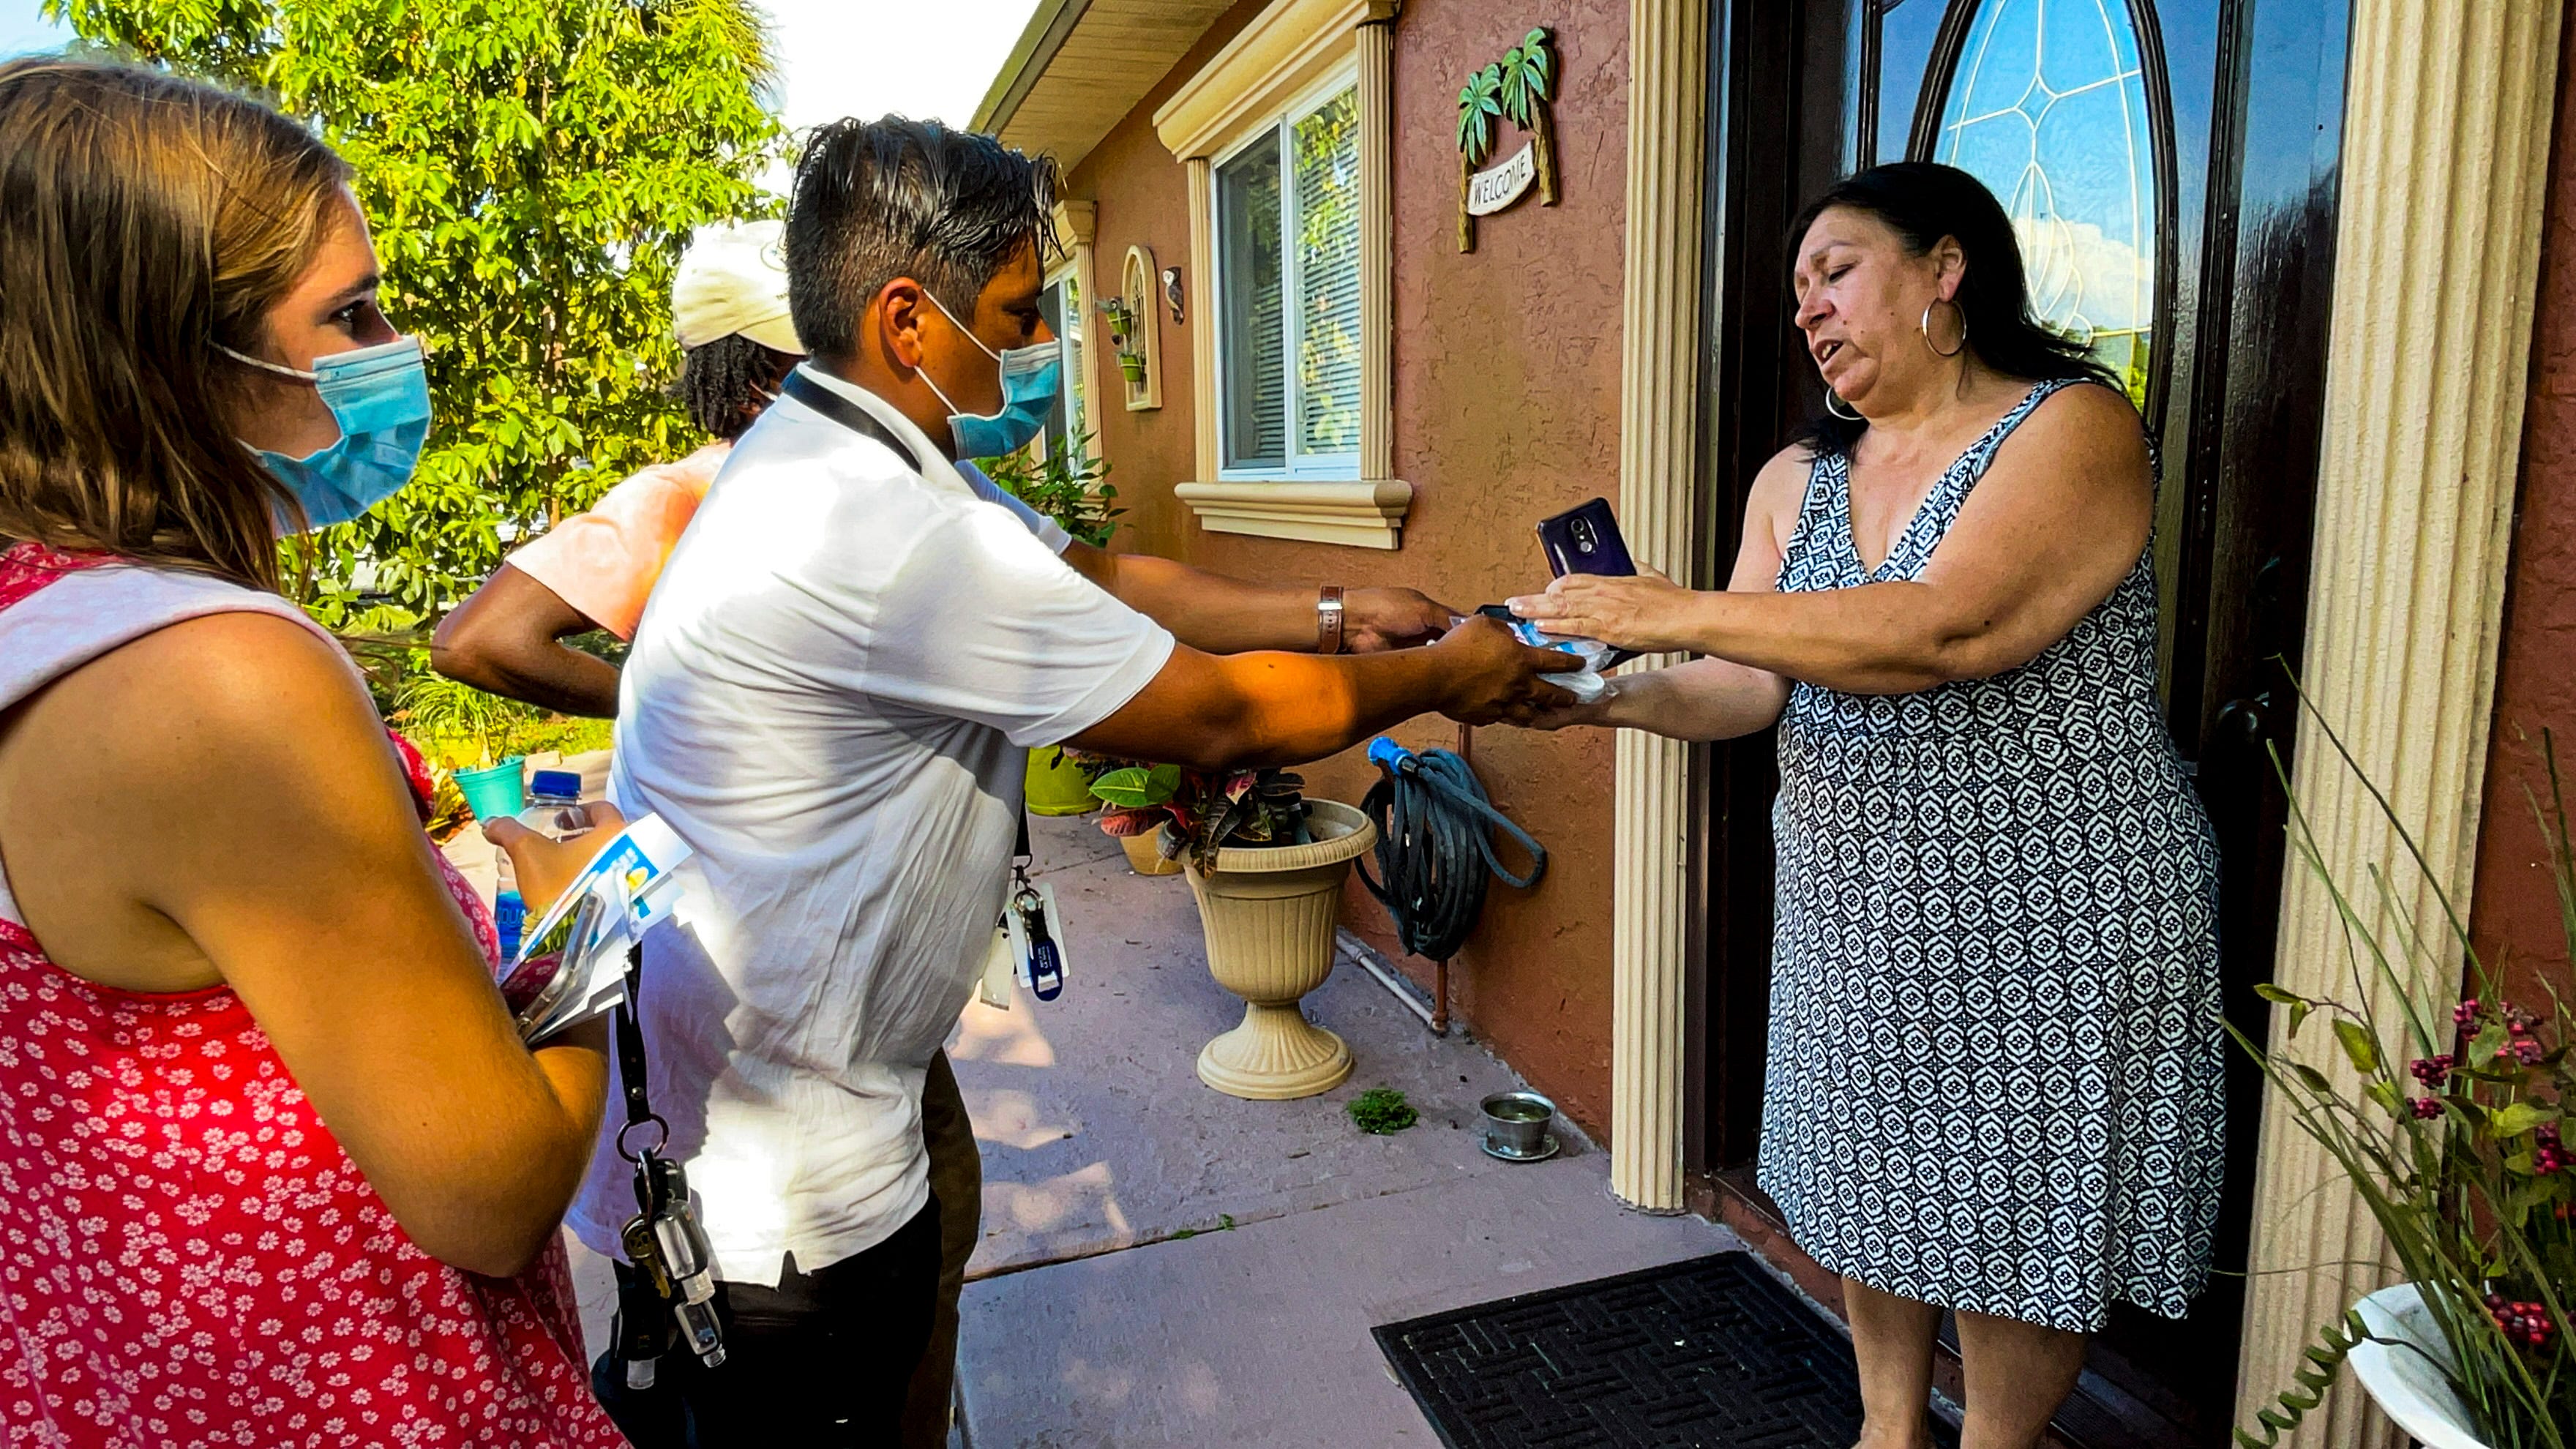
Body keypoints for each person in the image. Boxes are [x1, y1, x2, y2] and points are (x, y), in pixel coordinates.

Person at [568, 114, 1568, 1447]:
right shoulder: (880, 528)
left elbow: (1099, 579)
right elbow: (1216, 722)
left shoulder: (854, 456)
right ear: (909, 319)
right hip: (774, 1196)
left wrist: (1334, 611)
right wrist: (1446, 674)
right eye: (1019, 312)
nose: (1043, 347)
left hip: (800, 1085)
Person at [1509, 162, 2223, 1449]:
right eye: (1799, 295)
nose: (1810, 311)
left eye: (1835, 271)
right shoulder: (1796, 477)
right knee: (1867, 1183)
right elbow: (1742, 684)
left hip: (2056, 912)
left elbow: (1942, 631)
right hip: (1862, 911)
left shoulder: (2071, 426)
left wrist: (1655, 607)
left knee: (2023, 1214)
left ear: (1947, 269)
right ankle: (1887, 1432)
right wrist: (1596, 700)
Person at [0, 59, 632, 1447]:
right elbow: (493, 1186)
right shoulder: (215, 684)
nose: (395, 346)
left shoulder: (38, 622)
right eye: (349, 314)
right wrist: (590, 921)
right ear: (169, 357)